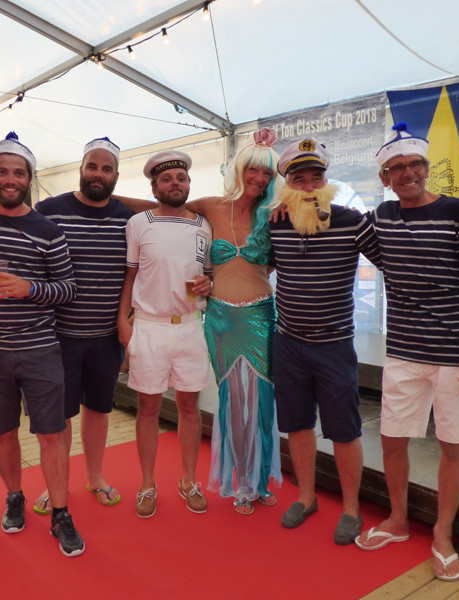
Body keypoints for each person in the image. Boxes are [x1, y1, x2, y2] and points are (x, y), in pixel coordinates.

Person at [354, 123, 459, 582]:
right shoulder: (381, 218)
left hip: (457, 354)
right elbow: (339, 224)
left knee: (453, 446)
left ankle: (443, 533)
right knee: (392, 439)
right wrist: (282, 203)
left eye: (414, 164)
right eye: (396, 168)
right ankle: (398, 520)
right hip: (403, 352)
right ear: (385, 178)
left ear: (426, 167)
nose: (407, 173)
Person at [0, 132, 85, 557]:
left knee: (52, 433)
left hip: (39, 348)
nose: (10, 179)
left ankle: (61, 513)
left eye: (18, 173)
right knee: (3, 432)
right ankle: (14, 497)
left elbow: (68, 288)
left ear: (29, 178)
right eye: (2, 172)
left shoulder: (48, 229)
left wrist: (28, 287)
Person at [269, 139, 381, 544]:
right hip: (288, 344)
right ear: (287, 186)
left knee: (344, 430)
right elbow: (255, 264)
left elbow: (391, 261)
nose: (309, 185)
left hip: (334, 346)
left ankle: (351, 507)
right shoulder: (276, 223)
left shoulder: (352, 221)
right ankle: (306, 497)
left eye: (316, 177)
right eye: (299, 179)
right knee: (297, 425)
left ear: (327, 182)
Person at [32, 137, 133, 514]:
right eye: (92, 166)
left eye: (106, 169)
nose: (98, 174)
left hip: (107, 338)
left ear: (116, 176)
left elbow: (136, 273)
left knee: (99, 410)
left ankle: (96, 478)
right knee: (58, 418)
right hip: (57, 337)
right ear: (81, 169)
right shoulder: (49, 210)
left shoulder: (128, 218)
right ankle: (56, 484)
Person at [186, 128, 284, 515]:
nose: (259, 178)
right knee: (234, 403)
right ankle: (242, 482)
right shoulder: (209, 206)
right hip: (221, 318)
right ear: (239, 169)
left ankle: (260, 481)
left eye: (267, 172)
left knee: (262, 405)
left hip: (262, 316)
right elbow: (168, 215)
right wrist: (202, 279)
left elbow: (276, 262)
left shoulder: (274, 214)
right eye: (253, 170)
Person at [117, 150, 213, 518]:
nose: (175, 183)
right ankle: (147, 484)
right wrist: (122, 320)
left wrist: (208, 284)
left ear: (188, 184)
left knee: (190, 407)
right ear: (155, 188)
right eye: (167, 179)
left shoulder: (203, 225)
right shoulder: (138, 223)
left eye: (181, 178)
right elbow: (130, 274)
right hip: (149, 327)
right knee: (148, 408)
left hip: (190, 326)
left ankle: (189, 481)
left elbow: (207, 275)